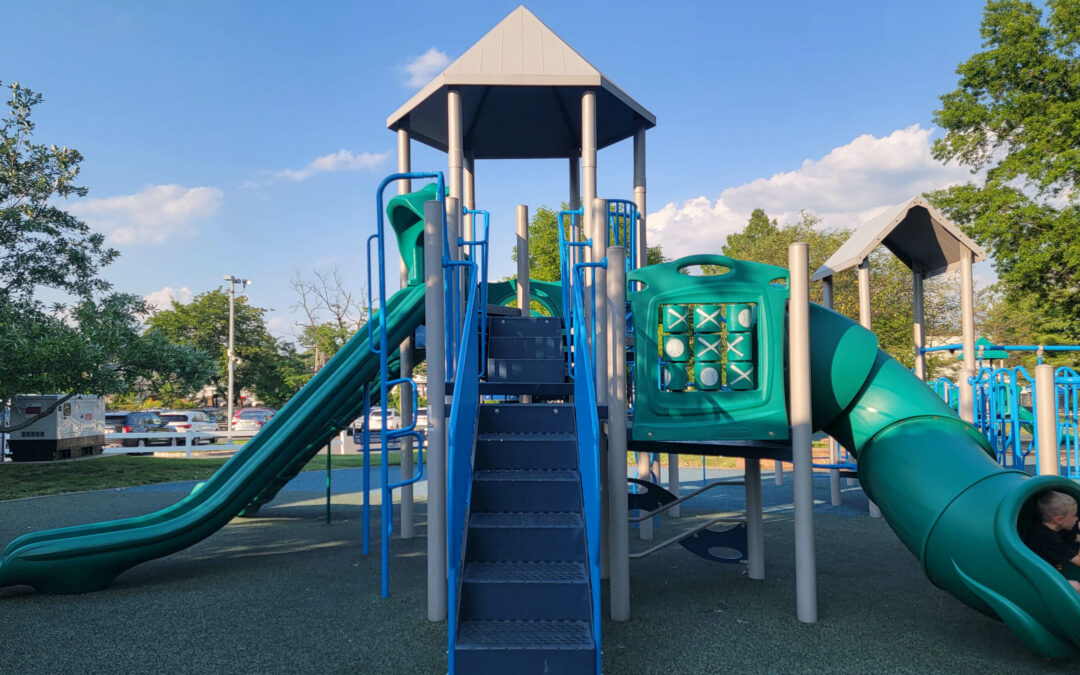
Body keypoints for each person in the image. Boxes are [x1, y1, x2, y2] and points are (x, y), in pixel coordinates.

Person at [1025, 490, 1080, 592]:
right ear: (1059, 520)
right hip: (1038, 579)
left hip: (1052, 572)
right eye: (1074, 515)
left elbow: (1075, 538)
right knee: (1076, 586)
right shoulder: (1047, 538)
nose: (1077, 519)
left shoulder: (1058, 529)